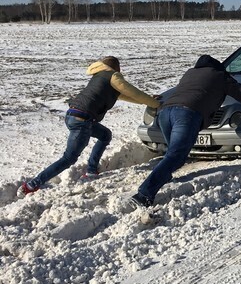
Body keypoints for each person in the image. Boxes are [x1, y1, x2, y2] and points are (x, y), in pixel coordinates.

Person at [131, 54, 241, 208]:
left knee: (172, 153)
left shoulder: (190, 73)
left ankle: (162, 177)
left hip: (165, 113)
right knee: (176, 156)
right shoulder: (219, 76)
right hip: (186, 114)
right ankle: (144, 194)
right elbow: (240, 93)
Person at [20, 56, 161, 195]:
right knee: (68, 158)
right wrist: (155, 104)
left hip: (74, 116)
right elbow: (132, 91)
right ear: (116, 68)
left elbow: (126, 96)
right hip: (82, 120)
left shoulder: (100, 76)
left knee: (105, 135)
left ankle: (92, 170)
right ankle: (33, 184)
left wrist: (148, 100)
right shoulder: (113, 76)